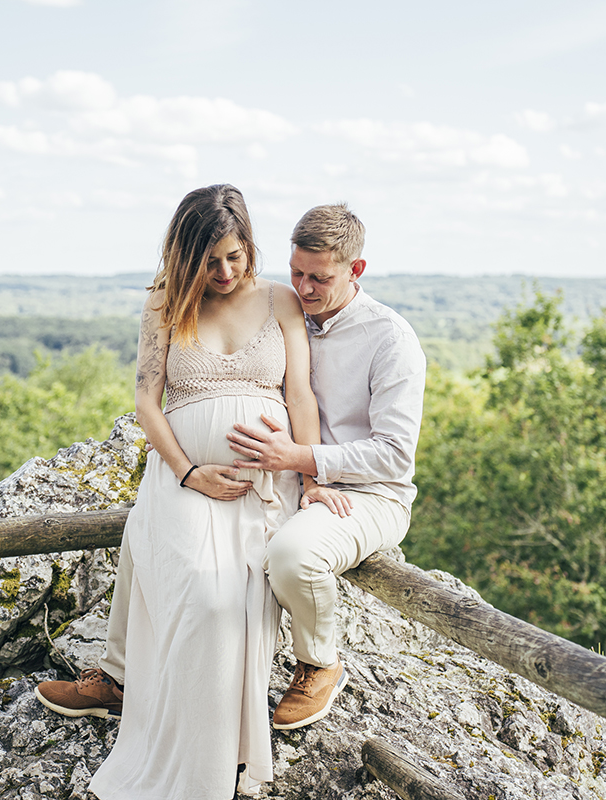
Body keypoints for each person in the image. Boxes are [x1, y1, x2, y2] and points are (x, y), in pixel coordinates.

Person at [34, 184, 347, 800]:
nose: (225, 272)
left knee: (229, 609)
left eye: (235, 256)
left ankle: (219, 758)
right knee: (199, 598)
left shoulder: (281, 300)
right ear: (185, 256)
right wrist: (186, 471)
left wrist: (312, 480)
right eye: (210, 261)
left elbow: (301, 396)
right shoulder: (163, 305)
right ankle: (135, 698)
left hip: (263, 483)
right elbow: (147, 402)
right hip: (183, 480)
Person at [226, 202, 427, 731]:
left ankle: (320, 662)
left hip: (371, 495)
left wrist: (303, 458)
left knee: (292, 555)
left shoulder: (392, 339)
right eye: (296, 273)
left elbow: (393, 453)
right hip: (291, 477)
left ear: (356, 270)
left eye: (320, 278)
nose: (305, 287)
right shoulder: (282, 312)